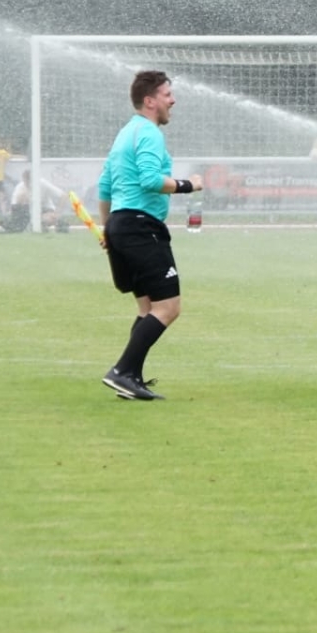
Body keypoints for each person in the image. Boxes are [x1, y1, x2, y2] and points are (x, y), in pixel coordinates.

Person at [95, 70, 202, 401]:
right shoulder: (149, 133)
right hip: (141, 226)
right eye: (167, 94)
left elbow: (105, 186)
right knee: (168, 307)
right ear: (150, 100)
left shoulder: (125, 133)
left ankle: (131, 378)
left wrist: (107, 228)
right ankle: (122, 371)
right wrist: (189, 185)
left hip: (121, 225)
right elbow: (151, 180)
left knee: (147, 308)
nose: (173, 100)